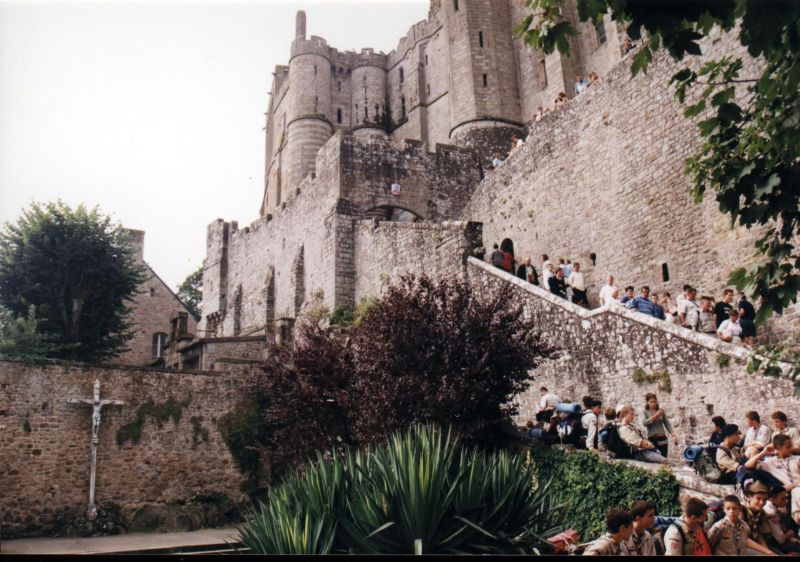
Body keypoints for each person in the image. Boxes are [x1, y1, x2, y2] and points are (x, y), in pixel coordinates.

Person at [746, 434, 800, 526]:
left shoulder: (797, 459)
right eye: (788, 446)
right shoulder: (770, 462)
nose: (791, 448)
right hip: (786, 491)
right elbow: (748, 465)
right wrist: (763, 452)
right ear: (779, 447)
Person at [741, 480, 782, 555]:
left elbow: (759, 535)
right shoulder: (741, 510)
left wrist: (768, 552)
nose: (761, 502)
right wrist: (767, 552)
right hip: (740, 545)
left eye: (764, 500)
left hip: (754, 544)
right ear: (750, 496)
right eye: (758, 498)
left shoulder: (761, 513)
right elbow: (743, 538)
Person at [763, 488, 800, 554]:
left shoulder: (776, 507)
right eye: (782, 499)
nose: (786, 501)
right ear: (772, 498)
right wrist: (791, 533)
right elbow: (780, 539)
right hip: (775, 545)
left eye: (786, 498)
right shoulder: (770, 512)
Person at [641, 393, 677, 457]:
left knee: (664, 457)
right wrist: (656, 416)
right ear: (647, 402)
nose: (653, 404)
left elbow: (667, 423)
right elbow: (644, 423)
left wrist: (673, 434)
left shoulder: (661, 411)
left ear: (656, 401)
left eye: (654, 402)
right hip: (652, 438)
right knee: (655, 458)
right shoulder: (645, 412)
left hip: (662, 438)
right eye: (651, 402)